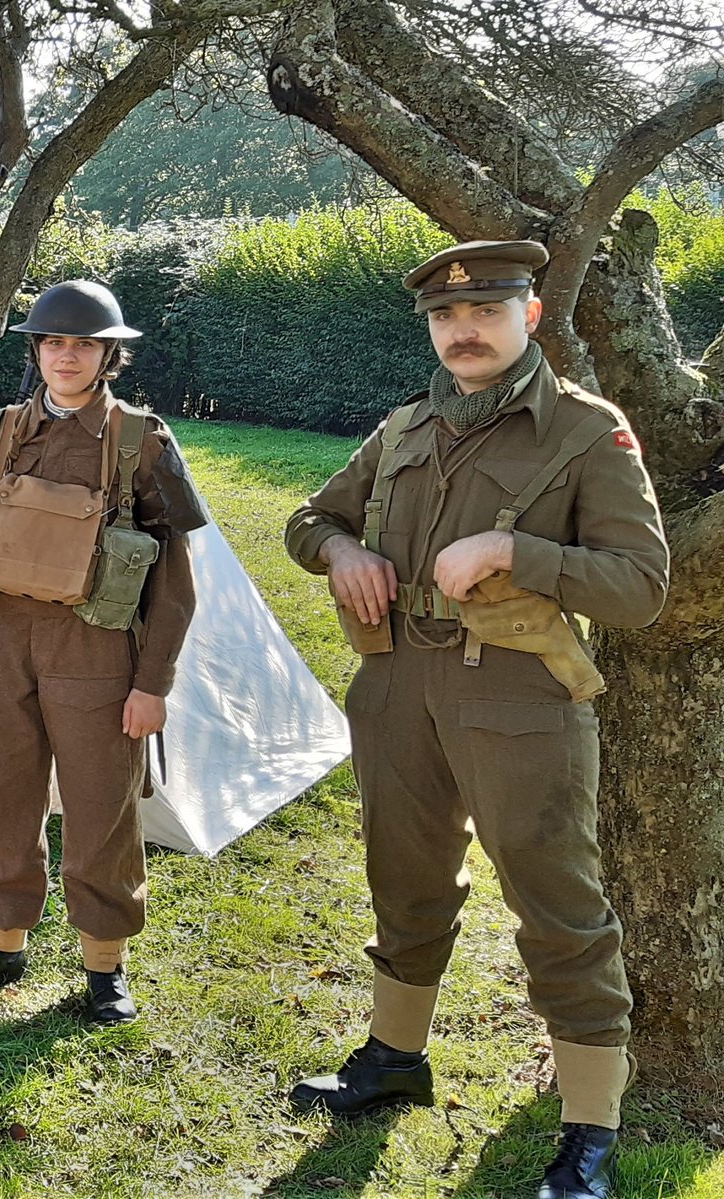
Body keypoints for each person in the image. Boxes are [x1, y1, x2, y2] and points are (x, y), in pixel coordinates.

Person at [284, 242, 668, 1199]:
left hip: (518, 698)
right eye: (448, 318)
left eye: (487, 313)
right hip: (397, 688)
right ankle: (394, 1057)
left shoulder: (586, 431)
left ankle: (588, 1132)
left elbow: (642, 586)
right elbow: (307, 518)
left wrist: (518, 549)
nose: (465, 330)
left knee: (556, 906)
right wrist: (339, 552)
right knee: (403, 880)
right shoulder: (407, 423)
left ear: (529, 319)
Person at [0, 279, 207, 1023]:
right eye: (53, 342)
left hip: (98, 647)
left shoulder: (142, 441)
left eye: (83, 343)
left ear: (109, 354)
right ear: (36, 351)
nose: (66, 356)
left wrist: (154, 682)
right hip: (2, 639)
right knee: (2, 797)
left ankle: (103, 965)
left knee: (101, 806)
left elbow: (173, 577)